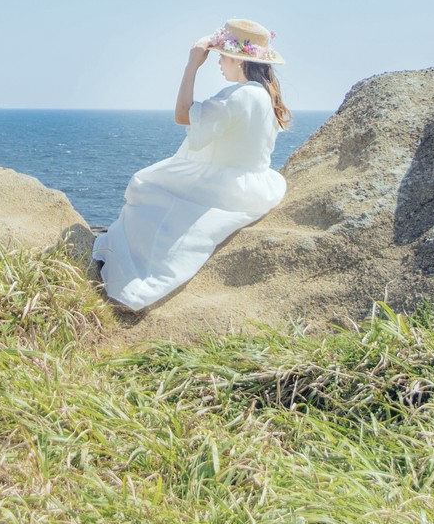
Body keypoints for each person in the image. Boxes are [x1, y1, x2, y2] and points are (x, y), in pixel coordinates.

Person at [93, 18, 292, 310]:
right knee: (153, 184)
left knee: (145, 185)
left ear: (239, 60)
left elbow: (182, 114)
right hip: (256, 185)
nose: (219, 62)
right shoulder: (266, 95)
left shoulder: (238, 96)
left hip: (226, 185)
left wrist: (191, 66)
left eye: (222, 56)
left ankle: (134, 283)